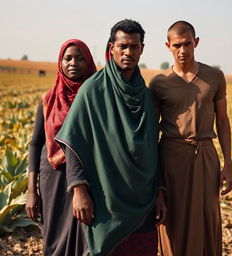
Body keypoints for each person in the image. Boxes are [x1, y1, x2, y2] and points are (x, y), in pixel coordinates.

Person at [55, 19, 167, 256]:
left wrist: (159, 190)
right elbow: (74, 142)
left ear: (142, 49)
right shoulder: (92, 90)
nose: (128, 52)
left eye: (134, 47)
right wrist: (78, 190)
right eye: (123, 46)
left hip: (143, 199)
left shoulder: (145, 95)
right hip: (106, 198)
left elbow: (151, 148)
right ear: (111, 48)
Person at [149, 21, 232, 256]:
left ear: (196, 42)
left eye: (187, 43)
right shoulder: (159, 83)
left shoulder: (214, 77)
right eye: (177, 45)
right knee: (172, 219)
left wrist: (228, 164)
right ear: (168, 46)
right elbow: (151, 131)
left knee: (207, 216)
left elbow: (223, 121)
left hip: (205, 157)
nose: (183, 50)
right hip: (171, 159)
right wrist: (154, 178)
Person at [25, 39, 97, 256]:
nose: (73, 63)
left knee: (86, 238)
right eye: (68, 58)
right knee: (54, 238)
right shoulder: (48, 99)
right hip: (53, 180)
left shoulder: (96, 98)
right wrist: (31, 191)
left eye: (80, 58)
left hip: (88, 178)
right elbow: (36, 144)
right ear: (60, 63)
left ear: (89, 62)